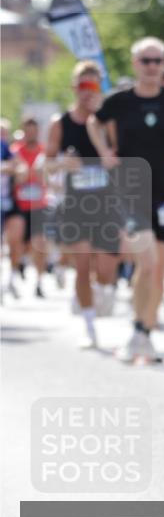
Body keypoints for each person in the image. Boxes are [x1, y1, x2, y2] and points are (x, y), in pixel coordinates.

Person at [87, 37, 164, 362]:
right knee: (148, 262)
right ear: (135, 64)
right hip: (131, 192)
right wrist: (104, 152)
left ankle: (144, 332)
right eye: (146, 60)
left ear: (163, 64)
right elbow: (94, 121)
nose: (152, 66)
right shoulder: (120, 101)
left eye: (157, 60)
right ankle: (139, 331)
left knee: (158, 272)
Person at [45, 61, 119, 348]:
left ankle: (98, 293)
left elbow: (123, 156)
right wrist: (63, 164)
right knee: (83, 265)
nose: (88, 91)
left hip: (107, 203)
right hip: (76, 205)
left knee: (106, 270)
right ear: (74, 88)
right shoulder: (60, 123)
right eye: (83, 85)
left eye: (93, 85)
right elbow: (46, 166)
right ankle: (89, 327)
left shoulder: (108, 121)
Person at [4, 119, 50, 297]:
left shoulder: (44, 151)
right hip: (19, 204)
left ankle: (39, 282)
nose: (31, 134)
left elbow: (49, 173)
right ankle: (13, 276)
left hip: (39, 205)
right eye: (27, 131)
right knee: (15, 241)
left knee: (39, 244)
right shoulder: (15, 151)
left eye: (33, 131)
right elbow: (14, 172)